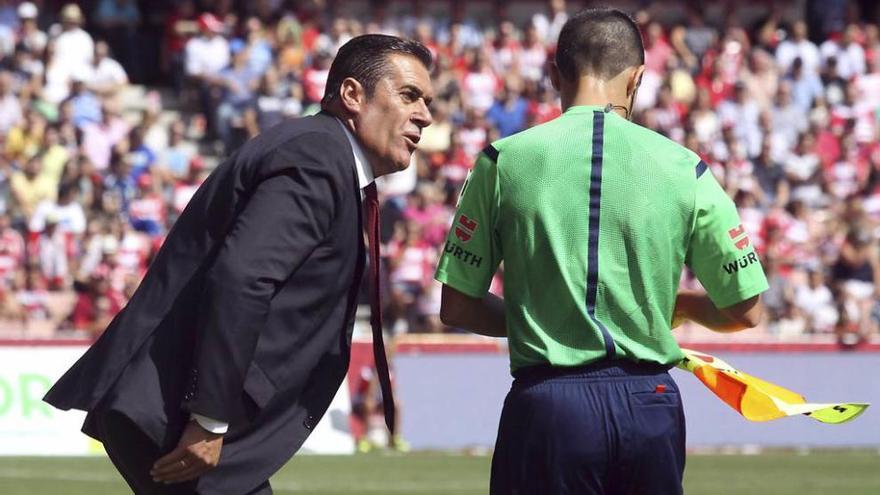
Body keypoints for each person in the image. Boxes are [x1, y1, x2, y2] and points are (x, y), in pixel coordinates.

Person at [43, 34, 433, 494]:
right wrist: (208, 418)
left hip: (179, 411)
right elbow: (242, 278)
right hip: (178, 415)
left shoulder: (325, 157)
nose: (425, 115)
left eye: (427, 101)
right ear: (352, 94)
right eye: (409, 95)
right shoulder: (318, 156)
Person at [435, 8, 766, 495]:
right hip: (650, 402)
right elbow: (746, 308)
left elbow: (458, 304)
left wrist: (551, 317)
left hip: (548, 407)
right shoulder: (685, 167)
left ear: (554, 75)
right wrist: (675, 308)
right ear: (638, 78)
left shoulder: (501, 161)